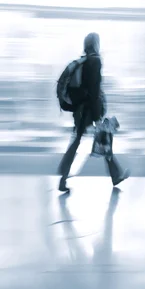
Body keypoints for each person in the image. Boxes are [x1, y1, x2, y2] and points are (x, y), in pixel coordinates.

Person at [57, 32, 129, 193]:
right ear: (96, 44)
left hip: (81, 111)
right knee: (99, 140)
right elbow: (94, 90)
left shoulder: (83, 61)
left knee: (85, 142)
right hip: (90, 111)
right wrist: (98, 116)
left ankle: (115, 175)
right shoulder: (95, 61)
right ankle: (64, 177)